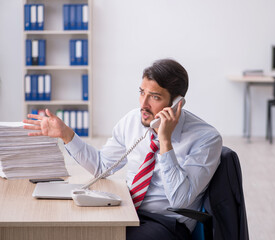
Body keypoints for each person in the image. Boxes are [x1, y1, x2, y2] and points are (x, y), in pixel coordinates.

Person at [23, 58, 222, 240]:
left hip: (167, 223)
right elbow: (102, 166)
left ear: (177, 103)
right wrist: (66, 134)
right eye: (142, 92)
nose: (143, 104)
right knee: (72, 228)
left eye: (154, 97)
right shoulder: (131, 121)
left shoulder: (206, 139)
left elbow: (180, 200)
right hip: (126, 209)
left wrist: (165, 141)